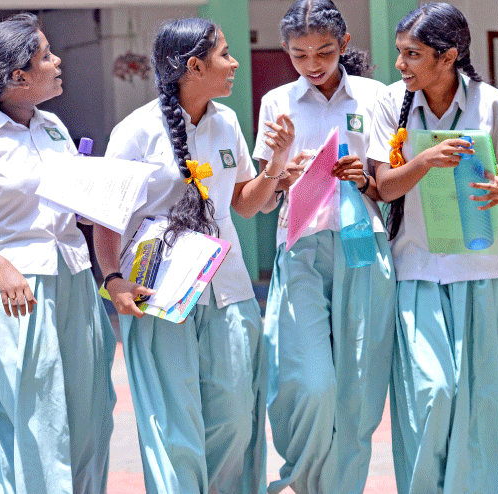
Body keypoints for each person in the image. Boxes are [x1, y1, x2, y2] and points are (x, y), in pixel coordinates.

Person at [93, 17, 294, 494]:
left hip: (230, 290)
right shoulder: (135, 131)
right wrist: (113, 279)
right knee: (174, 428)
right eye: (224, 54)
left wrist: (276, 165)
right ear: (194, 66)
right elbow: (105, 217)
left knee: (236, 420)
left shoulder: (227, 122)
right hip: (159, 297)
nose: (234, 63)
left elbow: (244, 204)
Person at [0, 14, 116, 494]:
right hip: (12, 291)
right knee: (38, 419)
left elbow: (69, 209)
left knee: (91, 413)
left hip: (73, 277)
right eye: (46, 56)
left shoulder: (53, 127)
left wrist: (103, 200)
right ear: (17, 77)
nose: (57, 62)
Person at [368, 4, 498, 493]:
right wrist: (424, 160)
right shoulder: (389, 103)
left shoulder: (492, 104)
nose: (400, 64)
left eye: (412, 54)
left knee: (487, 399)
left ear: (448, 56)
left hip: (485, 269)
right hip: (416, 268)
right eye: (400, 52)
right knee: (433, 391)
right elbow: (385, 187)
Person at [251, 2, 397, 493]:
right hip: (299, 248)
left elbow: (387, 184)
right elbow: (263, 199)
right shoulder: (277, 102)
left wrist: (364, 177)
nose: (312, 64)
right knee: (310, 381)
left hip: (363, 246)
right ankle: (304, 479)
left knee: (359, 387)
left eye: (324, 51)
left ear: (345, 44)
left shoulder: (376, 96)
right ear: (285, 50)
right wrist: (283, 172)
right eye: (299, 54)